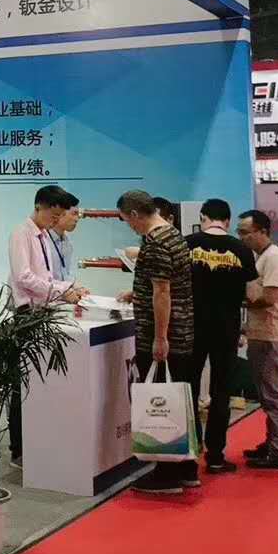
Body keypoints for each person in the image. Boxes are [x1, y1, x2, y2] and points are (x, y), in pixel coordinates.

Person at [116, 189, 197, 494]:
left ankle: (166, 474)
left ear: (135, 214)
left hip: (165, 334)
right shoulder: (174, 235)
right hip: (183, 329)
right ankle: (187, 468)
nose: (130, 227)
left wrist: (160, 338)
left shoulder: (155, 243)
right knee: (181, 399)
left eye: (127, 221)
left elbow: (163, 291)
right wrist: (138, 293)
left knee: (162, 403)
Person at [6, 186, 89, 466]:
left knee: (41, 382)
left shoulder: (42, 235)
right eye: (53, 216)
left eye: (58, 217)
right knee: (23, 383)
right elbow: (24, 277)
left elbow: (47, 277)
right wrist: (61, 290)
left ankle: (38, 443)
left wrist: (66, 289)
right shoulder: (21, 234)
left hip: (44, 312)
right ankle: (19, 448)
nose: (55, 221)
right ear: (39, 207)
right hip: (27, 315)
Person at [185, 198, 257, 473]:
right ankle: (215, 456)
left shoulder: (187, 244)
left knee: (189, 388)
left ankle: (190, 453)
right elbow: (252, 294)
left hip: (191, 327)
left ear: (203, 217)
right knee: (221, 391)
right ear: (227, 221)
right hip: (226, 329)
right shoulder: (241, 249)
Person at [237, 210, 278, 470]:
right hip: (260, 334)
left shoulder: (274, 258)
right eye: (239, 232)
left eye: (246, 232)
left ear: (263, 231)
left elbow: (269, 297)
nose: (242, 237)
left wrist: (238, 302)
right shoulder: (262, 257)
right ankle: (273, 443)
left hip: (270, 335)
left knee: (274, 395)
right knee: (266, 395)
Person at [47, 195, 81, 279]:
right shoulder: (41, 241)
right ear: (60, 213)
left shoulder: (68, 243)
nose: (77, 219)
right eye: (74, 214)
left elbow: (67, 274)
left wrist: (73, 285)